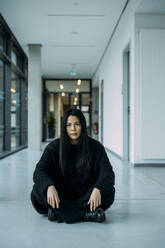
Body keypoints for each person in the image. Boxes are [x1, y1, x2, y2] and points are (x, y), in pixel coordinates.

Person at [31, 109, 115, 224]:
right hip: (61, 195)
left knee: (109, 191)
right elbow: (39, 171)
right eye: (69, 125)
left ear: (83, 126)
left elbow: (108, 173)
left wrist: (98, 188)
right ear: (64, 127)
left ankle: (59, 213)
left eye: (77, 124)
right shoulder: (54, 147)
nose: (73, 129)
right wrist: (49, 186)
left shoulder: (96, 147)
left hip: (86, 196)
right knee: (36, 191)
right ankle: (85, 214)